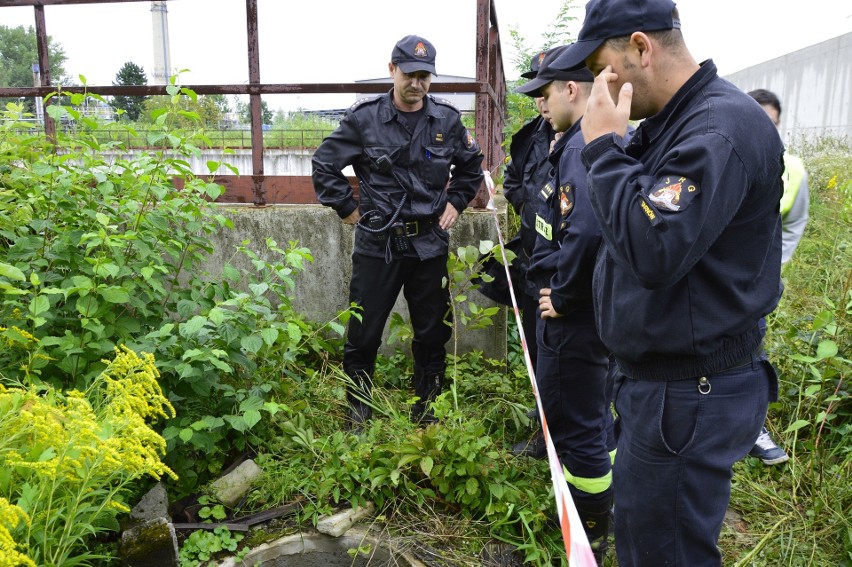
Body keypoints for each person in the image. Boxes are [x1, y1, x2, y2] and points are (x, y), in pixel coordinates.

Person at [551, 0, 784, 565]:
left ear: (639, 47)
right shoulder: (672, 122)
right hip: (661, 384)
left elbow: (654, 248)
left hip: (688, 393)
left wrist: (603, 147)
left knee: (664, 552)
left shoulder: (717, 127)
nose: (597, 84)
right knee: (647, 537)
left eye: (602, 66)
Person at [311, 35, 484, 430]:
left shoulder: (447, 120)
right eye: (410, 74)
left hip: (428, 243)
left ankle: (428, 406)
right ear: (392, 70)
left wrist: (456, 201)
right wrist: (350, 210)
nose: (417, 83)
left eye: (425, 76)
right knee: (364, 329)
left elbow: (471, 166)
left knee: (432, 330)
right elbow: (324, 165)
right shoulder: (365, 119)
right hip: (379, 243)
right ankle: (358, 407)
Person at [515, 45, 613, 561]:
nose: (539, 104)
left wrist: (566, 297)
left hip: (571, 315)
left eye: (545, 93)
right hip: (581, 309)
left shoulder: (577, 150)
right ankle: (598, 502)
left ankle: (589, 524)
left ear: (571, 89)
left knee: (577, 426)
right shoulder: (573, 143)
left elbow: (587, 233)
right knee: (592, 415)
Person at [745, 88, 810, 465]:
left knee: (753, 350)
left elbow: (794, 223)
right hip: (704, 283)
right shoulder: (715, 156)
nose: (764, 130)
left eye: (771, 124)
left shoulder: (793, 169)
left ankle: (754, 430)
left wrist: (771, 267)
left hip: (756, 283)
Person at [498, 51, 557, 459]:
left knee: (583, 369)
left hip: (572, 277)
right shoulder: (531, 135)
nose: (541, 100)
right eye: (535, 90)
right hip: (535, 266)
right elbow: (512, 181)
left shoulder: (597, 136)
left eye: (546, 89)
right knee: (540, 359)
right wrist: (533, 205)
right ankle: (546, 433)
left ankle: (584, 441)